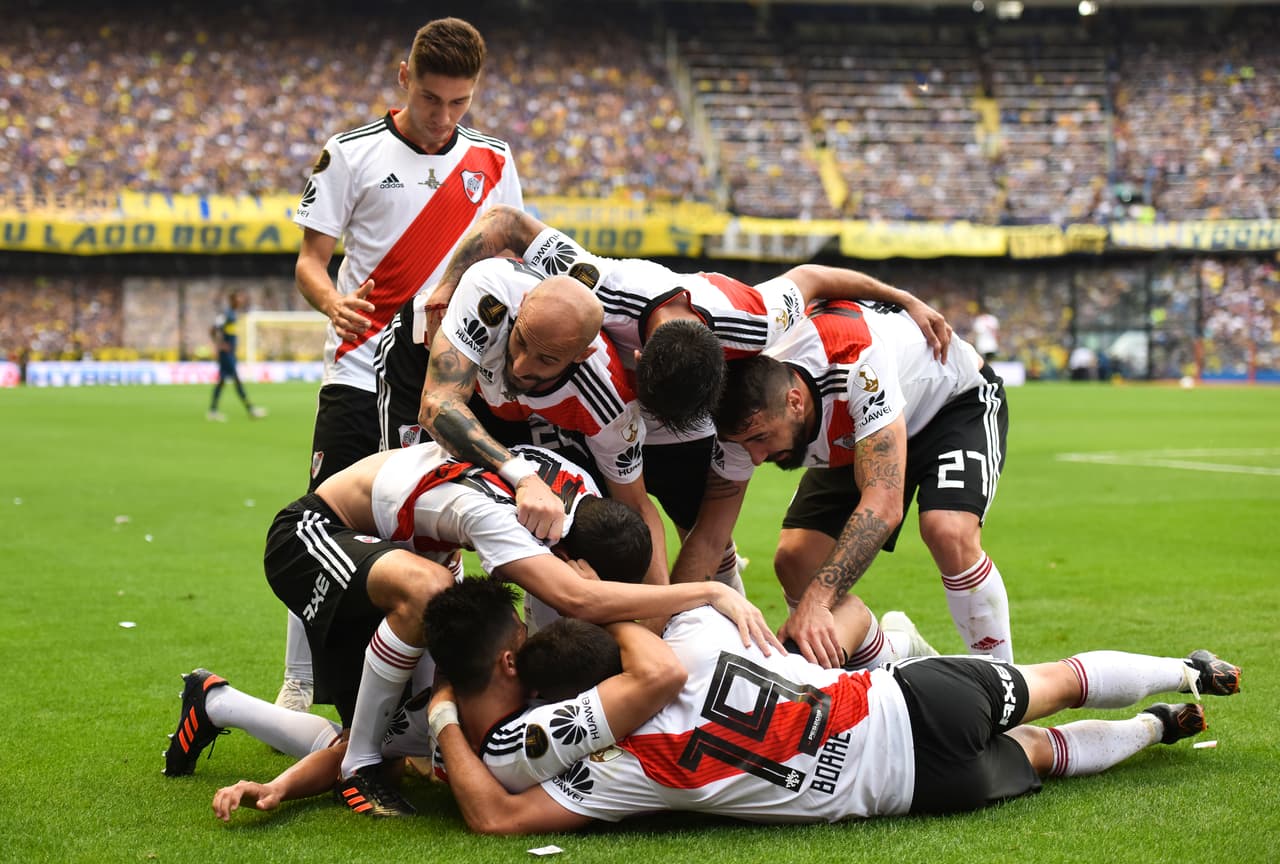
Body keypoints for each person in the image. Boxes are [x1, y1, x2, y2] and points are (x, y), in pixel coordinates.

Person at [219, 440, 778, 817]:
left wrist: (279, 787)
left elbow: (578, 603)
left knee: (398, 728)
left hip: (407, 547)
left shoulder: (574, 491)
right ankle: (356, 765)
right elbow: (579, 597)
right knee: (423, 603)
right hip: (321, 529)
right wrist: (709, 590)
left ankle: (217, 702)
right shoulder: (514, 527)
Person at [425, 578, 1242, 833]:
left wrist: (445, 716)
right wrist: (605, 605)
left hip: (905, 791)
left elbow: (495, 816)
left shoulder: (619, 769)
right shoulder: (699, 631)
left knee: (1038, 755)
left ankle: (1155, 727)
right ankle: (1186, 670)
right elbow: (658, 633)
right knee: (1058, 679)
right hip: (912, 699)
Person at [415, 205, 953, 588]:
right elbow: (505, 222)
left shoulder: (753, 319)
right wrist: (448, 283)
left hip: (690, 415)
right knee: (606, 516)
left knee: (702, 526)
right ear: (640, 358)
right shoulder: (593, 280)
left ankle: (718, 611)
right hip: (605, 398)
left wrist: (901, 298)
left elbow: (811, 277)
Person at [283, 16, 524, 712]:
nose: (443, 116)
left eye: (459, 103)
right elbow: (310, 263)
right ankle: (299, 680)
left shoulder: (493, 161)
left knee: (432, 528)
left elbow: (505, 256)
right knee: (323, 522)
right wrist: (333, 304)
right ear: (403, 78)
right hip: (359, 371)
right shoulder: (349, 153)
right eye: (430, 99)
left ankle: (414, 694)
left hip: (447, 380)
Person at [710, 293, 1013, 670]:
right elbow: (710, 533)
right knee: (796, 560)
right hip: (858, 427)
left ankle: (1006, 685)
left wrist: (818, 602)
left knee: (947, 530)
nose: (757, 458)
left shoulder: (855, 361)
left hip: (950, 402)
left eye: (760, 440)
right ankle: (900, 658)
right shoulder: (749, 391)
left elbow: (883, 507)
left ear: (794, 401)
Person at [378, 257, 668, 588]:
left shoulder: (608, 407)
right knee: (401, 506)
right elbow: (436, 406)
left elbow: (637, 508)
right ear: (523, 303)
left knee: (576, 520)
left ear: (581, 355)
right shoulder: (490, 290)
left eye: (546, 358)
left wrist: (657, 616)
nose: (520, 365)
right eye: (521, 341)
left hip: (511, 403)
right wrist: (524, 477)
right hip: (423, 360)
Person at [207, 291, 266, 422]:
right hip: (226, 354)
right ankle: (250, 409)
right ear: (232, 299)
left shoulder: (233, 314)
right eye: (239, 297)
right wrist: (220, 344)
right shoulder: (227, 314)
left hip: (229, 353)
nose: (241, 300)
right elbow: (212, 329)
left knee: (222, 382)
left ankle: (212, 411)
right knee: (236, 380)